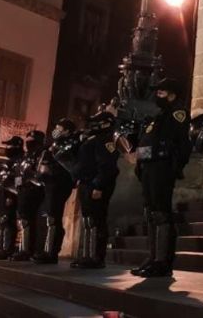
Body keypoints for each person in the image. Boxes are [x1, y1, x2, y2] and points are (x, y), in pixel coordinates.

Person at [130, 78, 191, 277]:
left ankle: (162, 261)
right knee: (151, 212)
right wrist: (140, 164)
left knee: (161, 214)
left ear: (172, 94)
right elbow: (147, 145)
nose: (158, 96)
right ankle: (153, 257)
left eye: (161, 93)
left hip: (163, 169)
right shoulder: (158, 117)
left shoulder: (177, 114)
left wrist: (174, 167)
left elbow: (181, 145)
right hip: (149, 169)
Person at [70, 110, 120, 269]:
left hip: (95, 185)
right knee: (88, 220)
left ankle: (95, 257)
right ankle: (87, 255)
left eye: (97, 122)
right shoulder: (95, 139)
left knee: (95, 220)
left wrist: (98, 185)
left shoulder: (106, 140)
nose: (93, 125)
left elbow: (107, 166)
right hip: (87, 183)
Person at [32, 118, 78, 264]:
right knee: (49, 217)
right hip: (49, 184)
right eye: (56, 127)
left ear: (68, 131)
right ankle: (46, 250)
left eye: (60, 128)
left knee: (53, 217)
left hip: (60, 184)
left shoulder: (71, 145)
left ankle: (51, 252)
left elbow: (70, 165)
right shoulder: (54, 145)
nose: (56, 131)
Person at [11, 130, 46, 261]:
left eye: (31, 139)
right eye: (27, 138)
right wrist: (18, 186)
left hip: (35, 191)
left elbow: (40, 175)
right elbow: (18, 173)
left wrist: (32, 178)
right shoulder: (25, 156)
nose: (28, 141)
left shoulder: (42, 153)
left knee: (32, 222)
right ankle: (23, 249)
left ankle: (29, 250)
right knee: (22, 220)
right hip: (23, 192)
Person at [0, 136, 23, 259]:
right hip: (2, 196)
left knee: (7, 222)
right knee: (2, 222)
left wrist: (11, 195)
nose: (7, 148)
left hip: (10, 197)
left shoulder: (18, 163)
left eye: (9, 146)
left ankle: (6, 249)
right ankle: (1, 248)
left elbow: (17, 182)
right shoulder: (7, 164)